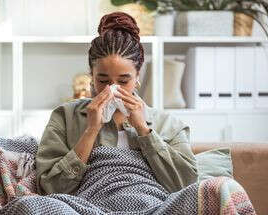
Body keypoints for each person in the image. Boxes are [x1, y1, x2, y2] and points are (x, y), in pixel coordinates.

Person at [36, 12, 198, 196]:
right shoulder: (65, 117)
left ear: (137, 76)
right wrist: (91, 130)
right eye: (103, 80)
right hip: (86, 204)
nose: (112, 89)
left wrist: (143, 130)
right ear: (92, 76)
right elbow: (49, 188)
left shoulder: (170, 125)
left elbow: (186, 186)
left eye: (123, 81)